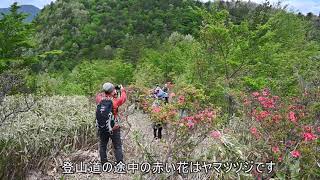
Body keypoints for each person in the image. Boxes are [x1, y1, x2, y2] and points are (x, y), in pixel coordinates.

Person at [95, 82, 127, 164]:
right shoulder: (115, 102)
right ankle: (120, 164)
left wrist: (109, 91)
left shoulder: (99, 99)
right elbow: (123, 98)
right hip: (114, 127)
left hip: (102, 127)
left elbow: (100, 94)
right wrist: (122, 90)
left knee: (103, 146)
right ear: (112, 91)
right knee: (117, 146)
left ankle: (104, 164)